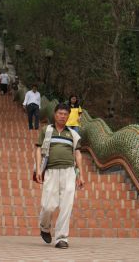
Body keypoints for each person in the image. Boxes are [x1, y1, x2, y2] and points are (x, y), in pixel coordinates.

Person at [34, 103, 84, 249]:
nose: (63, 116)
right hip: (51, 171)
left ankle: (62, 238)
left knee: (66, 205)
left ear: (69, 116)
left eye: (65, 114)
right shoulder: (46, 130)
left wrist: (80, 174)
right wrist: (38, 170)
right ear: (55, 114)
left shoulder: (73, 134)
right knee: (48, 205)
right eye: (60, 113)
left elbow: (78, 154)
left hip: (69, 171)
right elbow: (38, 150)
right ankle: (44, 226)